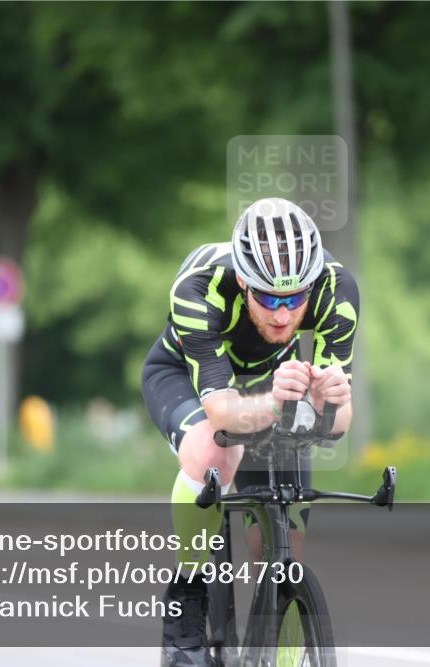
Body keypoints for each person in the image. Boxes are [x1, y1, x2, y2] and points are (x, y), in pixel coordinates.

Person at [141, 197, 359, 666]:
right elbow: (221, 416)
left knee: (286, 534)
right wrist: (280, 405)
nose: (283, 314)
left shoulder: (335, 289)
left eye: (295, 298)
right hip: (186, 376)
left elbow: (339, 423)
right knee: (212, 454)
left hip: (269, 380)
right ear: (243, 281)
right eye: (268, 298)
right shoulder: (199, 287)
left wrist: (327, 404)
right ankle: (189, 601)